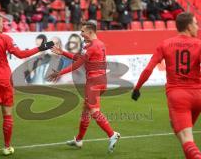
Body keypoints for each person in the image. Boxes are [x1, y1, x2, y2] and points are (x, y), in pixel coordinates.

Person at [0, 12, 52, 156]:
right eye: (1, 23)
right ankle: (7, 147)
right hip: (4, 78)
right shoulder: (5, 38)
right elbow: (20, 54)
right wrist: (41, 48)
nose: (3, 25)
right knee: (7, 114)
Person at [132, 12, 201, 159]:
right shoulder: (199, 44)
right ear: (189, 26)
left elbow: (148, 69)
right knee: (180, 132)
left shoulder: (165, 44)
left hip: (178, 96)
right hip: (198, 96)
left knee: (186, 137)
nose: (197, 26)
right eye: (196, 23)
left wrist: (137, 88)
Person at [48, 21, 120, 153]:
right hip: (102, 80)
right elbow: (80, 59)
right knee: (86, 112)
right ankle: (79, 140)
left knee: (94, 111)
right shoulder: (99, 44)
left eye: (82, 31)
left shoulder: (91, 46)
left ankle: (112, 134)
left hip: (93, 82)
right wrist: (63, 52)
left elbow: (77, 64)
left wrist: (59, 73)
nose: (81, 34)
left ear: (90, 32)